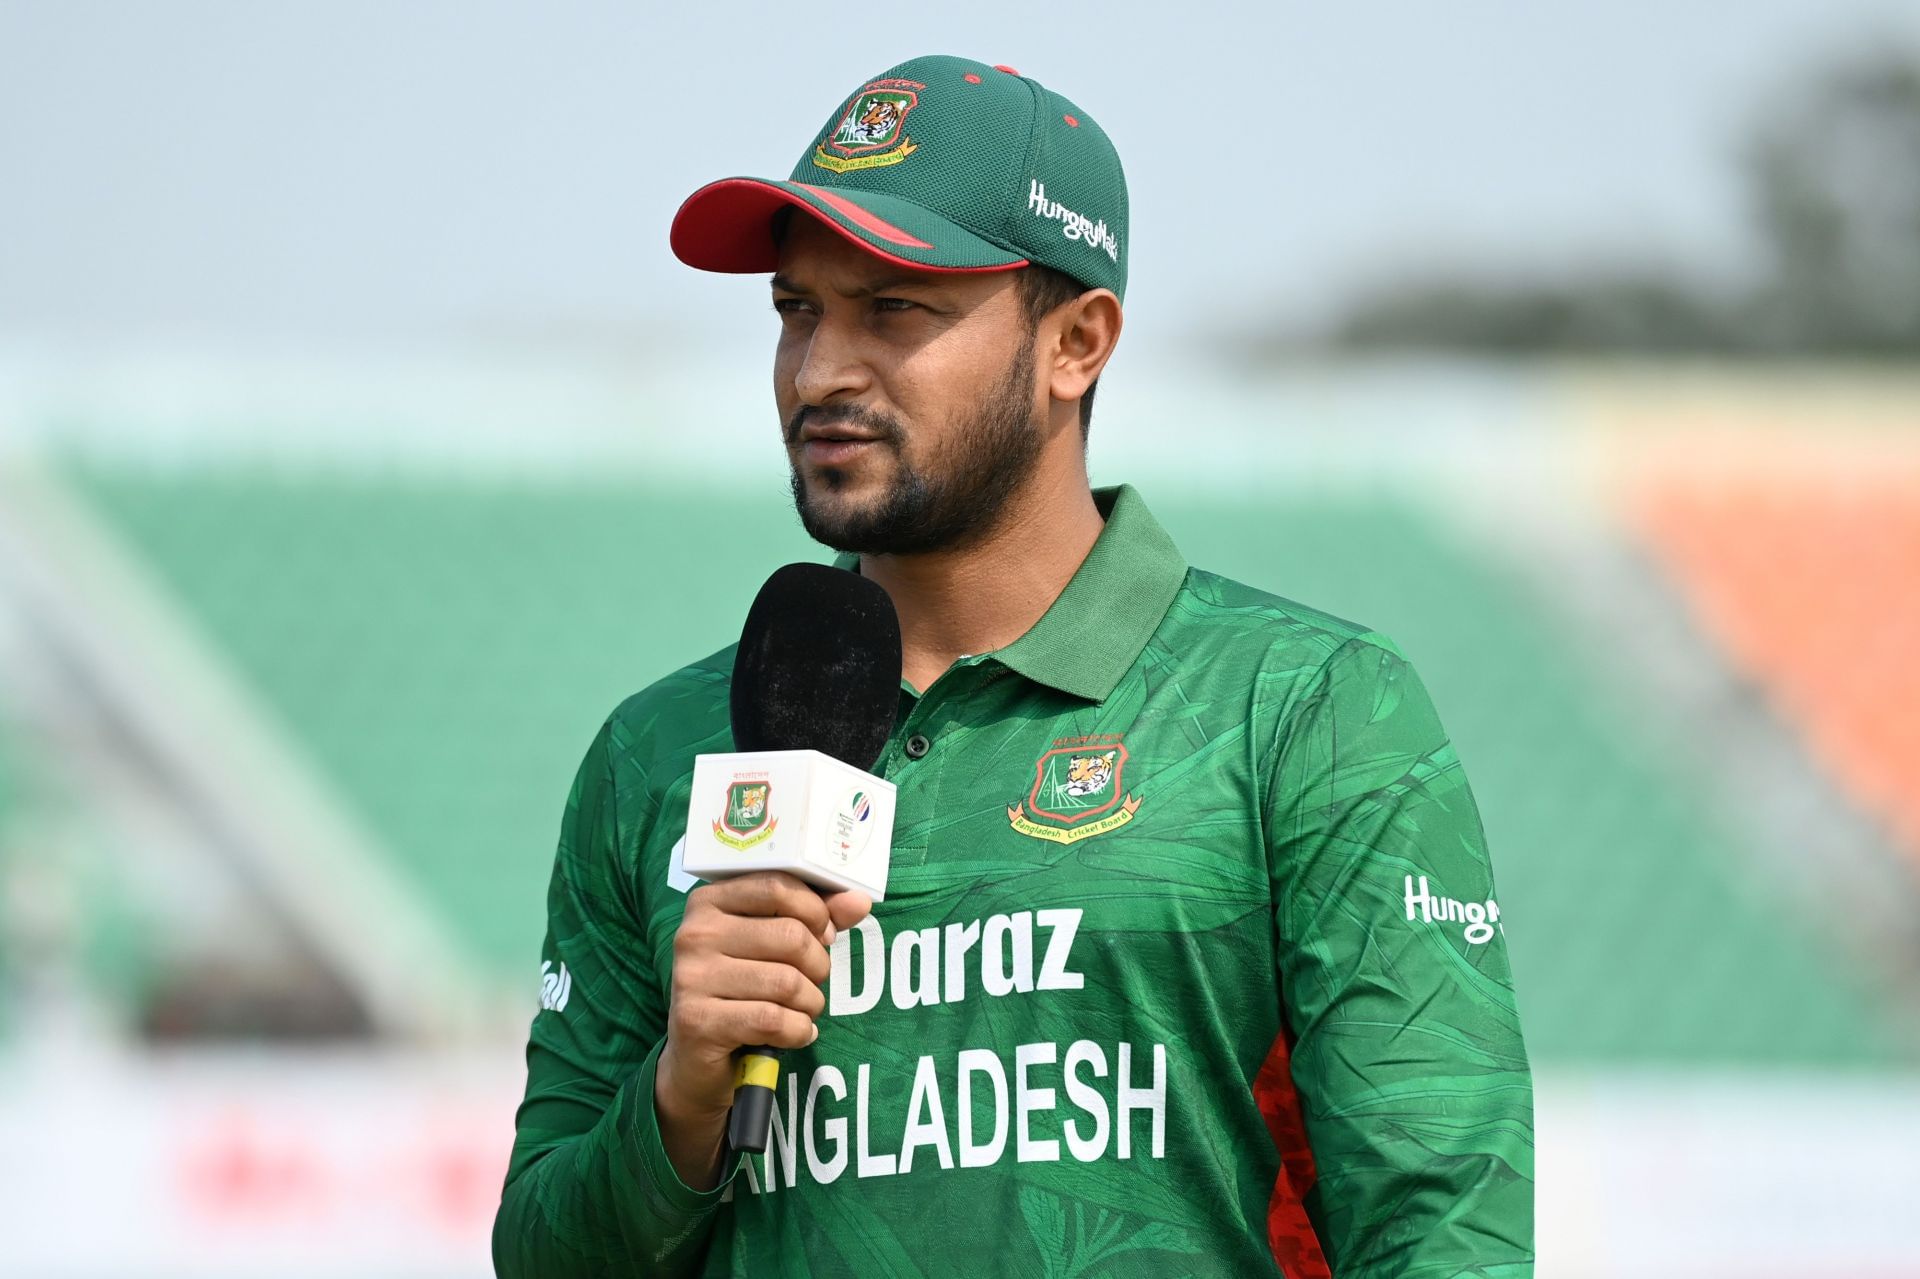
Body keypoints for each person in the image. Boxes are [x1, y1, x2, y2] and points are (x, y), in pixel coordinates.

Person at [493, 53, 1533, 1279]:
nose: (819, 372)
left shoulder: (1307, 709)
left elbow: (1440, 1232)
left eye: (894, 310)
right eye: (797, 311)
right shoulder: (656, 750)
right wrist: (679, 1100)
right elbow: (542, 1256)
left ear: (1076, 343)